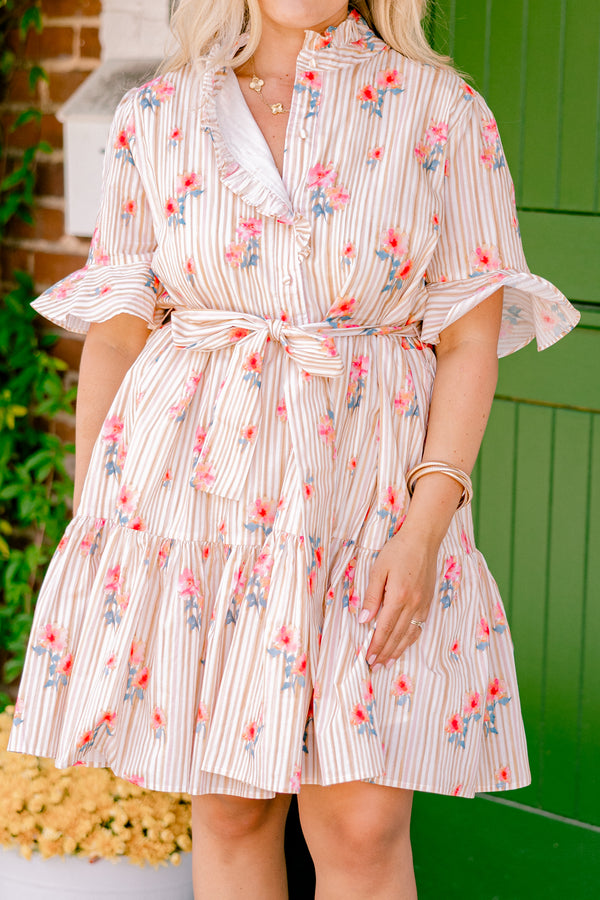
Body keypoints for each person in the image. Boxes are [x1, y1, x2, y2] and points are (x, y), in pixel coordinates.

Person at [7, 2, 579, 898]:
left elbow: (469, 339)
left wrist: (427, 525)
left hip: (371, 502)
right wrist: (99, 520)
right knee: (233, 809)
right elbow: (118, 335)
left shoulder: (441, 110)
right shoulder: (155, 113)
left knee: (362, 819)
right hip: (191, 497)